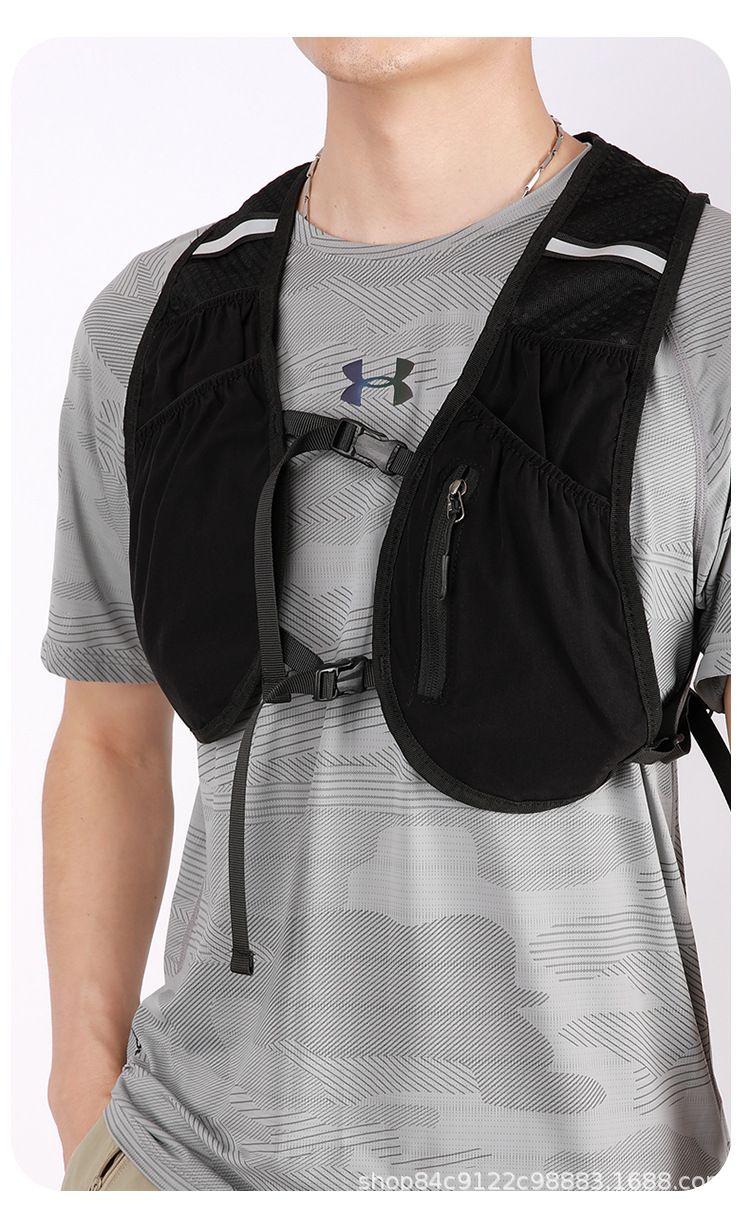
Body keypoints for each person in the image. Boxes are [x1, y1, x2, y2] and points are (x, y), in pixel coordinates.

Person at [41, 37, 730, 1192]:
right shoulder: (153, 321)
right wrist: (84, 1103)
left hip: (581, 1171)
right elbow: (108, 734)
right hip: (184, 1156)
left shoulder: (712, 303)